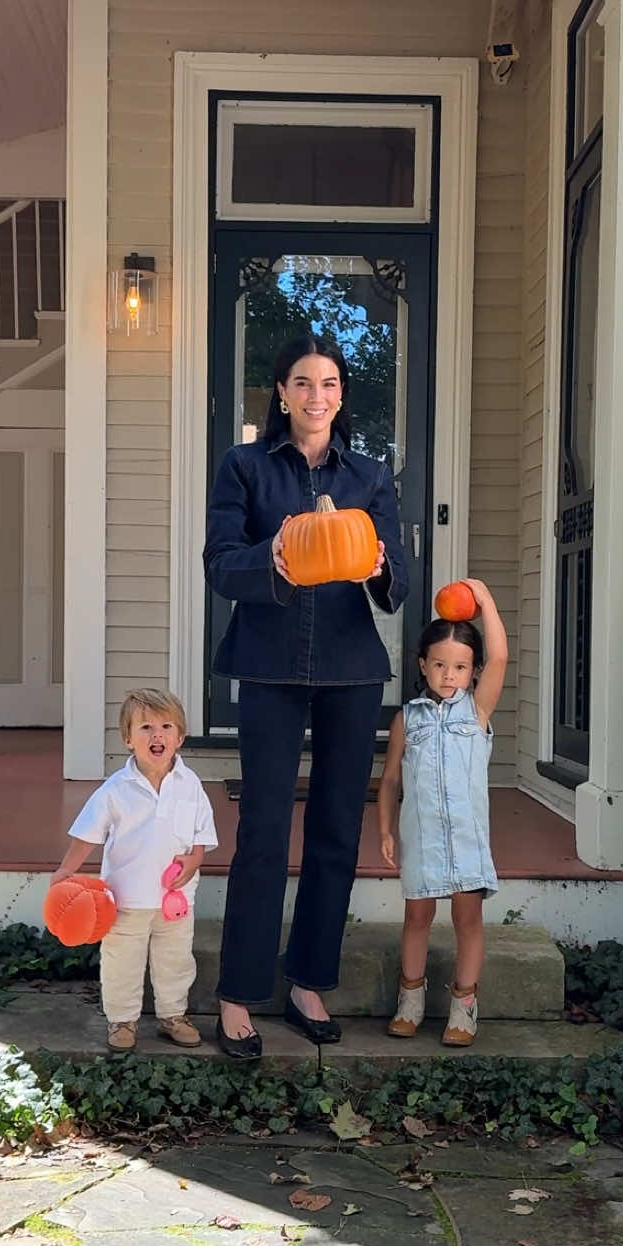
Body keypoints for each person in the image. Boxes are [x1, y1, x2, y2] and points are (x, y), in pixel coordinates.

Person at [204, 334, 408, 1059]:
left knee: (333, 832)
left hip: (353, 669)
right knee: (262, 829)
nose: (315, 395)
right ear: (282, 393)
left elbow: (397, 582)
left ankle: (308, 981)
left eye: (328, 383)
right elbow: (221, 564)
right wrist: (275, 556)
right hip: (268, 664)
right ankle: (238, 992)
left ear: (340, 395)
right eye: (301, 382)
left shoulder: (371, 477)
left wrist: (382, 565)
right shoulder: (245, 467)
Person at [376, 579, 509, 1047]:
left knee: (467, 921)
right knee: (416, 918)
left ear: (472, 672)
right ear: (422, 666)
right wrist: (386, 830)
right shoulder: (407, 719)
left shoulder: (477, 714)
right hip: (424, 838)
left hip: (468, 840)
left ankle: (464, 1007)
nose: (448, 674)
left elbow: (501, 658)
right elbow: (391, 779)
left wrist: (486, 602)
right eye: (439, 665)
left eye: (459, 666)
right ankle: (410, 1002)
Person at [51, 687, 218, 1052]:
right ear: (128, 739)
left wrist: (194, 860)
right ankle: (122, 1020)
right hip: (125, 899)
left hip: (176, 900)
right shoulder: (116, 790)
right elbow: (87, 835)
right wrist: (65, 871)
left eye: (165, 726)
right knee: (121, 962)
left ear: (180, 737)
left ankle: (172, 1015)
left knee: (175, 959)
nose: (156, 734)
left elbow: (202, 833)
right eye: (145, 727)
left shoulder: (191, 786)